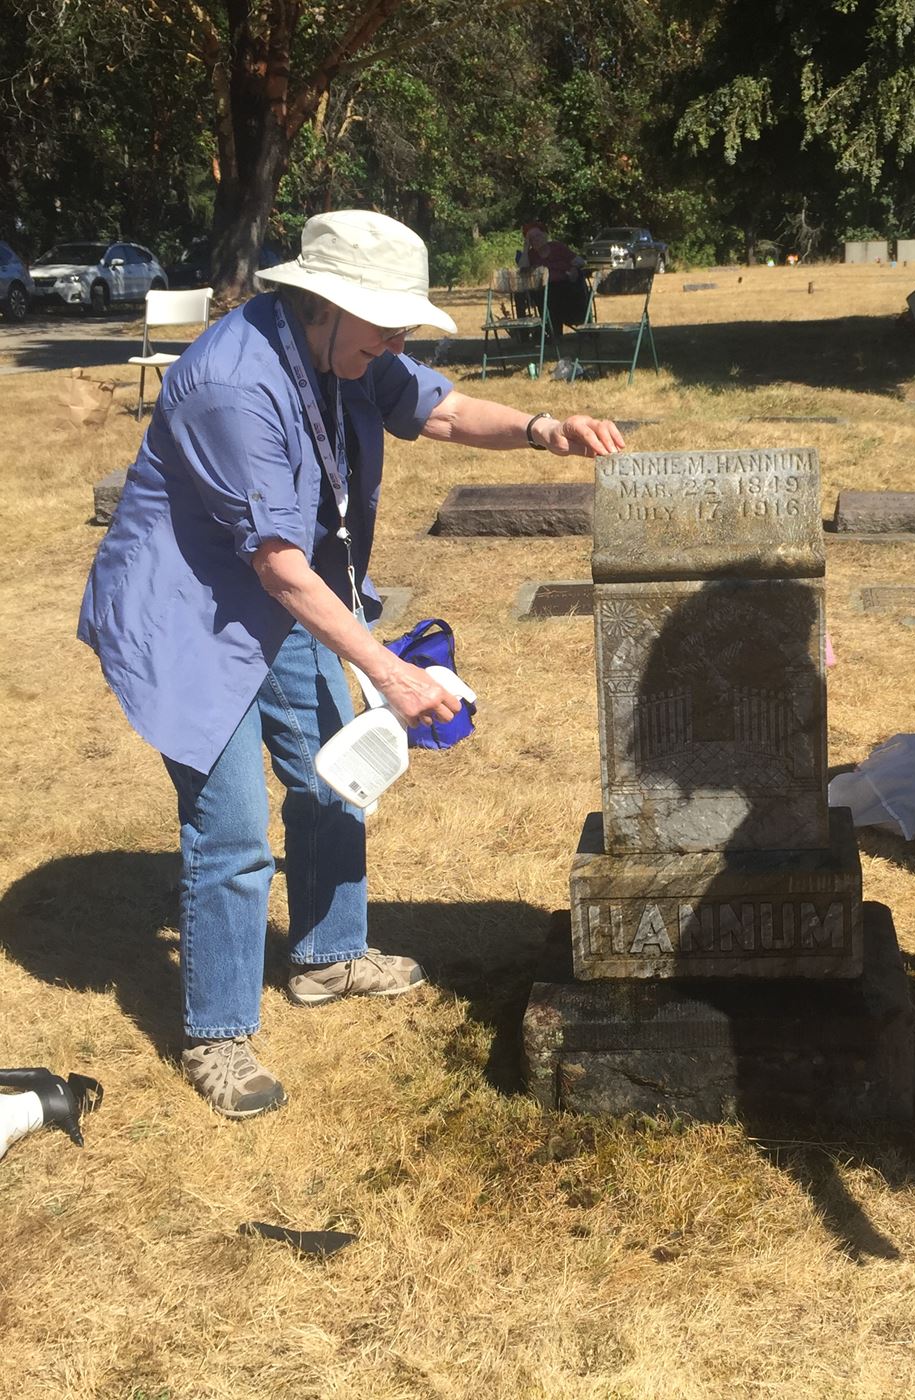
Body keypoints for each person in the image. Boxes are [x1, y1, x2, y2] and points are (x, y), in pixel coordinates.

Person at [78, 210, 625, 1121]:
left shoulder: (352, 351)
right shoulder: (232, 385)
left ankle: (329, 955)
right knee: (234, 833)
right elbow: (280, 566)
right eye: (386, 324)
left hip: (286, 597)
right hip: (189, 613)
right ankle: (218, 1033)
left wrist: (540, 428)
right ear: (324, 303)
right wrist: (392, 673)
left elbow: (443, 409)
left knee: (337, 771)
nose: (398, 341)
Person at [520, 221, 591, 327]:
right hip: (544, 289)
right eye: (532, 239)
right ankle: (551, 329)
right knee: (538, 295)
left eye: (538, 236)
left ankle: (569, 323)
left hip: (565, 285)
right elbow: (523, 268)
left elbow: (580, 261)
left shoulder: (557, 247)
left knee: (564, 292)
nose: (537, 240)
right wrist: (525, 248)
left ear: (545, 236)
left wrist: (575, 268)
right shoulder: (531, 255)